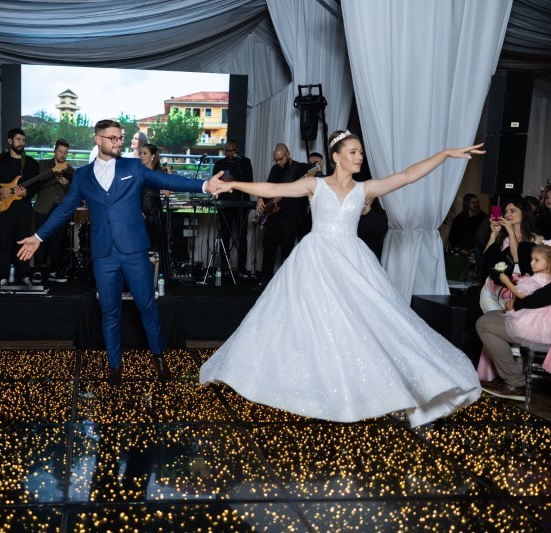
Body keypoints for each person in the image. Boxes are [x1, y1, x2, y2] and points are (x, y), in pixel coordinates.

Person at [200, 130, 484, 427]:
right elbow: (271, 188)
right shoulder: (315, 185)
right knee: (307, 321)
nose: (359, 157)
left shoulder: (365, 189)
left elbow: (408, 175)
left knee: (362, 322)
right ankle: (308, 385)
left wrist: (445, 154)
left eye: (360, 152)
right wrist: (232, 184)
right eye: (353, 152)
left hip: (352, 261)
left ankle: (354, 390)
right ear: (336, 157)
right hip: (314, 260)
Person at [18, 119, 222, 387]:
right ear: (98, 139)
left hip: (134, 251)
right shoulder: (83, 175)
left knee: (147, 306)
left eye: (120, 138)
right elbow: (65, 209)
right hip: (104, 255)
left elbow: (166, 179)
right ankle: (115, 365)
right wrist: (38, 237)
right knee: (110, 312)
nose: (118, 142)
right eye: (112, 138)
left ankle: (159, 357)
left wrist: (204, 185)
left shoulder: (132, 167)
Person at [476, 244, 551, 400]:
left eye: (536, 260)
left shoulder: (539, 278)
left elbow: (532, 298)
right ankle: (510, 376)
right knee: (491, 317)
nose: (531, 263)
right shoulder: (545, 276)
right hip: (537, 317)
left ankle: (514, 382)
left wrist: (507, 283)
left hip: (538, 326)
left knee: (483, 324)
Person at [0, 128, 40, 287]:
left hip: (23, 209)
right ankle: (3, 276)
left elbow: (37, 185)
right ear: (10, 141)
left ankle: (25, 276)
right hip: (4, 207)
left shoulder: (30, 163)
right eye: (18, 139)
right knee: (4, 242)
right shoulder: (0, 159)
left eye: (23, 140)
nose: (22, 143)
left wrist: (27, 192)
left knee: (24, 242)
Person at [255, 143, 312, 286]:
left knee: (287, 254)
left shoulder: (301, 168)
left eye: (281, 159)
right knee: (269, 251)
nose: (278, 162)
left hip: (291, 219)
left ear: (288, 154)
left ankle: (285, 285)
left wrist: (319, 164)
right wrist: (260, 197)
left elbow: (318, 175)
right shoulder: (275, 169)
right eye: (276, 160)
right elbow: (268, 187)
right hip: (273, 217)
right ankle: (265, 282)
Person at [479, 196, 543, 313]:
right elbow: (486, 258)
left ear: (524, 213)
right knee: (491, 319)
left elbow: (517, 259)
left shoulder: (537, 239)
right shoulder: (503, 237)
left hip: (520, 288)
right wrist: (494, 234)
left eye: (513, 211)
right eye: (506, 212)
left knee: (512, 321)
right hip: (495, 286)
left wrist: (511, 232)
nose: (508, 215)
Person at [32, 139, 75, 283]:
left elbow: (73, 193)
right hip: (43, 208)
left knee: (58, 240)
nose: (63, 155)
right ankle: (37, 270)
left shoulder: (71, 171)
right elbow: (38, 183)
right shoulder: (43, 165)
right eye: (60, 151)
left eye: (65, 152)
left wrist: (66, 185)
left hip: (60, 210)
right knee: (40, 239)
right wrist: (55, 172)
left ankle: (54, 271)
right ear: (54, 151)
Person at [212, 140, 253, 276]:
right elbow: (214, 183)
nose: (229, 153)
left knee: (242, 236)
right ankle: (224, 267)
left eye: (232, 150)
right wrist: (222, 181)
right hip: (225, 203)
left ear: (237, 150)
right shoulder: (219, 164)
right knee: (225, 235)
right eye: (227, 151)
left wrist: (235, 180)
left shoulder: (245, 162)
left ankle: (241, 268)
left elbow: (250, 181)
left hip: (242, 203)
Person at [138, 143, 171, 276]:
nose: (141, 156)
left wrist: (168, 173)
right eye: (140, 153)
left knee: (154, 245)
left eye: (144, 153)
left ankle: (155, 277)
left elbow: (167, 194)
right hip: (139, 211)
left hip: (155, 211)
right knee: (140, 245)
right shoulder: (138, 171)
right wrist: (137, 210)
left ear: (152, 156)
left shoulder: (159, 172)